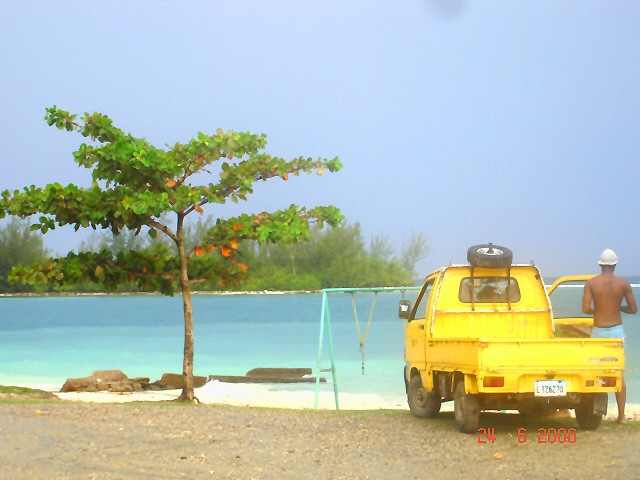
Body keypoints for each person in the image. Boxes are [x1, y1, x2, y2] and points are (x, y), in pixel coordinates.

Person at [582, 248, 637, 424]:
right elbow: (633, 309)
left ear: (600, 264)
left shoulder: (591, 283)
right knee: (618, 374)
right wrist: (617, 307)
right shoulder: (623, 284)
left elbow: (585, 309)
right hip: (616, 332)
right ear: (615, 265)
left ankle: (594, 413)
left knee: (595, 373)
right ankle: (621, 416)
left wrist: (599, 309)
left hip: (599, 331)